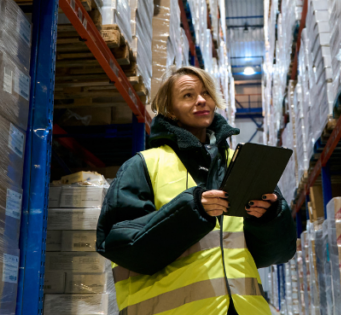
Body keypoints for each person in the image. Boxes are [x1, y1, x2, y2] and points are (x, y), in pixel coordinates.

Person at [95, 66, 296, 315]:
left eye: (206, 93)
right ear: (170, 110)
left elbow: (278, 253)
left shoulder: (241, 163)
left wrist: (269, 218)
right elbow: (119, 245)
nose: (201, 100)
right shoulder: (143, 165)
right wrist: (192, 211)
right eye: (188, 95)